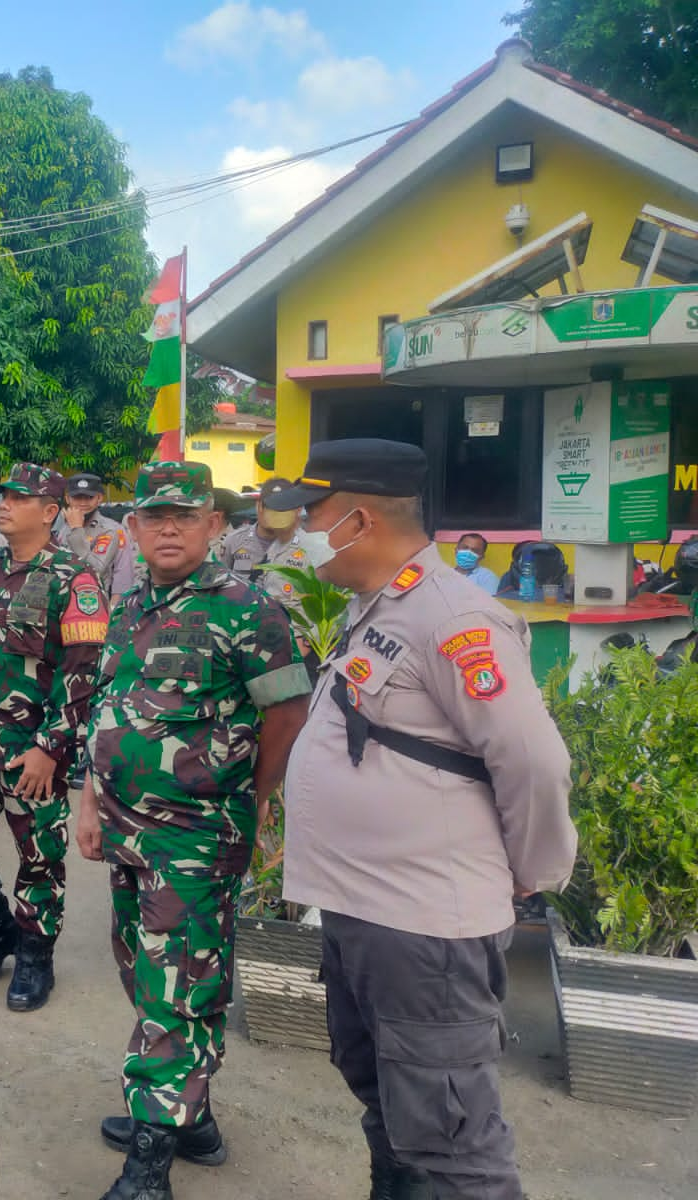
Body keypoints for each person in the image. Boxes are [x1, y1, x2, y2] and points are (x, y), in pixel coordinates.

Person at [263, 440, 577, 1200]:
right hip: (368, 910)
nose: (297, 531)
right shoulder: (383, 606)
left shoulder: (454, 616)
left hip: (424, 924)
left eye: (310, 515)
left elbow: (534, 764)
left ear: (359, 519)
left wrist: (533, 876)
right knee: (390, 1101)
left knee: (452, 1139)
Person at [76, 461, 312, 1200]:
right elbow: (110, 707)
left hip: (196, 835)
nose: (168, 528)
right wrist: (89, 800)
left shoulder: (248, 607)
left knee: (176, 986)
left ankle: (148, 1167)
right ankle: (192, 1118)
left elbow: (288, 712)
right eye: (154, 516)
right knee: (147, 972)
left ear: (214, 525)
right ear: (135, 527)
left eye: (185, 515)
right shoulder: (129, 603)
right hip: (124, 828)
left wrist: (258, 791)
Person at [0, 461, 108, 1013]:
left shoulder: (76, 577)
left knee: (39, 857)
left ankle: (33, 953)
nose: (4, 505)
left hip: (33, 751)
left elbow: (84, 672)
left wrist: (52, 748)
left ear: (50, 512)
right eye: (4, 496)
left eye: (19, 498)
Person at [217, 477, 310, 611]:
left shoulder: (308, 547)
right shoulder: (233, 541)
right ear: (259, 506)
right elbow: (221, 586)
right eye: (269, 507)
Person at [60, 473, 137, 598]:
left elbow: (104, 571)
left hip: (95, 601)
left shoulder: (112, 529)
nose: (83, 503)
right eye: (77, 498)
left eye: (89, 497)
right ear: (68, 499)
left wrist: (76, 530)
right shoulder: (62, 529)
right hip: (63, 598)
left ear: (99, 498)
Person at [454, 532, 501, 596]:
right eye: (465, 547)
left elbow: (489, 604)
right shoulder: (442, 575)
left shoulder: (488, 578)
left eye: (475, 551)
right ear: (456, 550)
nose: (468, 553)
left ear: (481, 557)